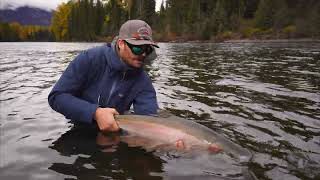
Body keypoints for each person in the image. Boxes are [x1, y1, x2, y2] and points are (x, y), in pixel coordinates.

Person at [48, 19, 159, 133]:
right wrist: (95, 113)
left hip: (114, 132)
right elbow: (56, 97)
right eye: (137, 48)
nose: (143, 54)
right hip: (79, 127)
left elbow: (149, 118)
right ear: (121, 44)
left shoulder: (143, 80)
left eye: (147, 49)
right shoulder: (89, 59)